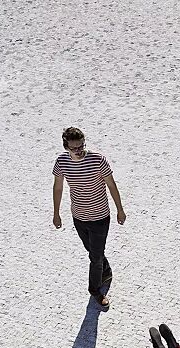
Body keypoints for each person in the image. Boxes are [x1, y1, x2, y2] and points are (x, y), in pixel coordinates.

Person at [52, 126, 126, 309]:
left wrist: (120, 209)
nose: (79, 151)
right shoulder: (62, 162)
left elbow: (111, 185)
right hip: (78, 216)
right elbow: (58, 187)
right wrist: (56, 213)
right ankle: (106, 271)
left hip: (100, 216)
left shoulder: (98, 160)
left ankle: (95, 291)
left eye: (81, 146)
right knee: (93, 251)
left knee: (95, 257)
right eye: (74, 148)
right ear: (66, 147)